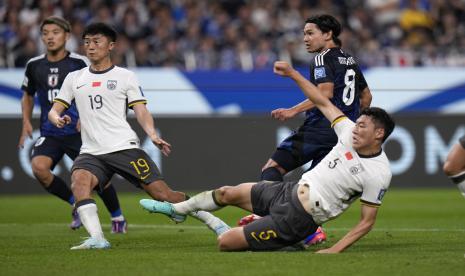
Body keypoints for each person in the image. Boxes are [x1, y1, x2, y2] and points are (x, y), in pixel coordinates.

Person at [140, 60, 395, 253]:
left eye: (363, 126)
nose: (356, 128)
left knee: (225, 243)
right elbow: (322, 101)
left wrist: (334, 250)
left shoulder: (379, 173)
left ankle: (287, 239)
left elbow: (366, 222)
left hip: (299, 218)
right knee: (227, 192)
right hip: (288, 191)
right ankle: (176, 209)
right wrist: (294, 74)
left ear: (379, 133)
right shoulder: (347, 131)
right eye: (357, 123)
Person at [48, 22, 229, 250]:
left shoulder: (125, 77)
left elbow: (141, 109)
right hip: (91, 151)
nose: (90, 47)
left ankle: (218, 224)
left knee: (163, 194)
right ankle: (97, 239)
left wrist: (152, 133)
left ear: (111, 45)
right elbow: (55, 109)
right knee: (79, 183)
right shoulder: (74, 78)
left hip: (124, 147)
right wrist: (56, 118)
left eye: (96, 41)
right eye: (86, 42)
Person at [18, 16, 127, 233]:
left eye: (55, 32)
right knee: (39, 168)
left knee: (97, 177)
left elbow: (99, 88)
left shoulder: (80, 62)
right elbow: (27, 95)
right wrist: (26, 123)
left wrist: (87, 118)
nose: (50, 37)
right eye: (45, 32)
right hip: (50, 131)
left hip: (78, 131)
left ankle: (117, 216)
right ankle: (76, 203)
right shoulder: (34, 65)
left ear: (67, 36)